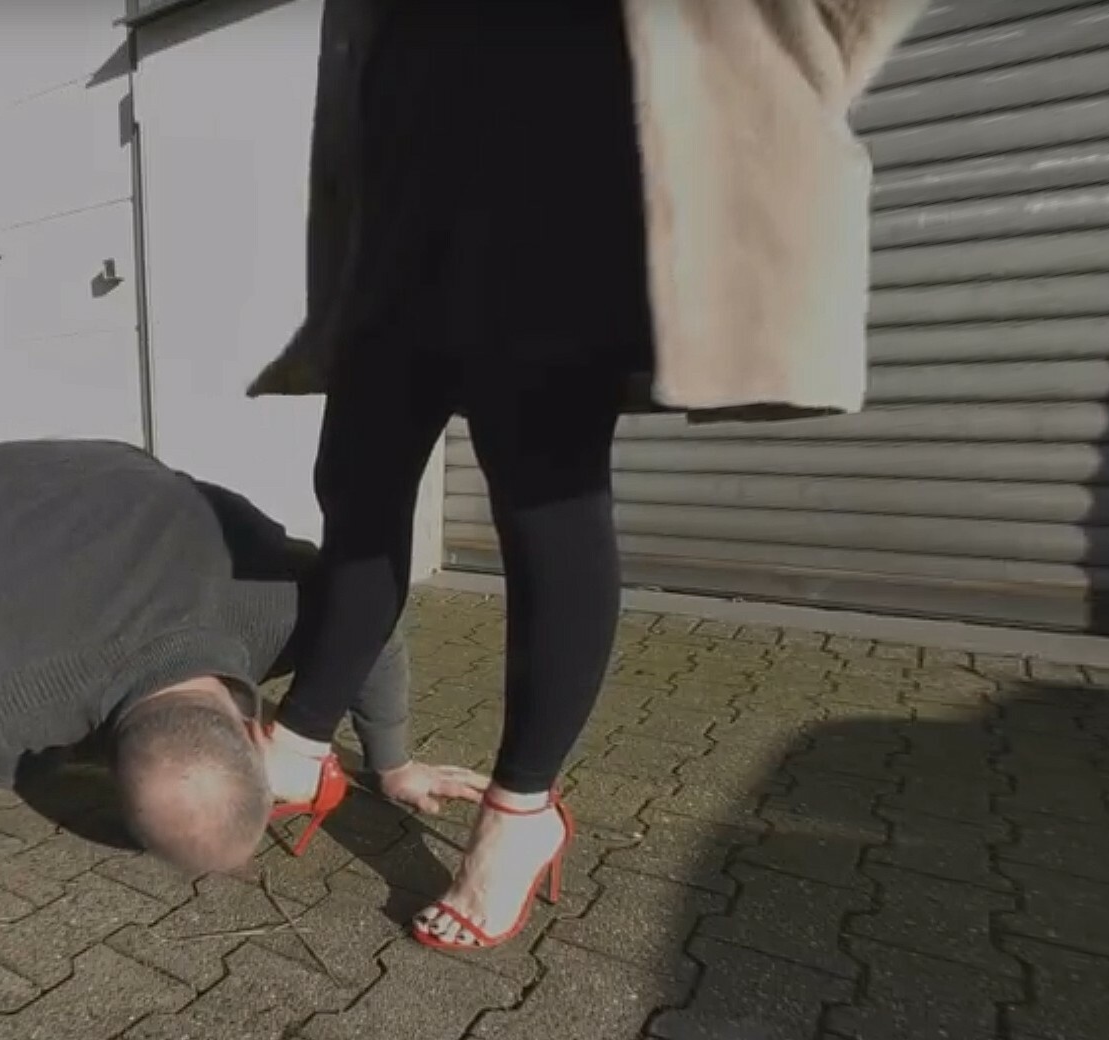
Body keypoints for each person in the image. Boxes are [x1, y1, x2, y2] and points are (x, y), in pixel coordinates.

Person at [248, 0, 933, 949]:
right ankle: (298, 745)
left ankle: (522, 810)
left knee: (544, 498)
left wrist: (775, 81)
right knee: (357, 485)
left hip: (557, 142)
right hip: (408, 161)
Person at [0, 438, 486, 936]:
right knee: (8, 763)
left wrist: (393, 764)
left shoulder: (276, 610)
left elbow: (370, 631)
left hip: (120, 473)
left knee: (2, 649)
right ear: (254, 731)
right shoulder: (7, 694)